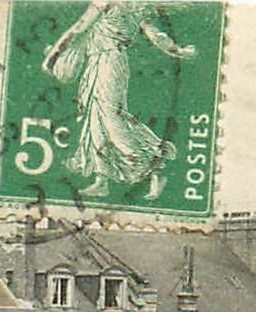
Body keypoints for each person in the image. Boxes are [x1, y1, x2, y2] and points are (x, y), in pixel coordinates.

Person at [41, 0, 197, 200]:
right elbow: (157, 36)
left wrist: (53, 56)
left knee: (110, 120)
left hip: (108, 63)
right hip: (101, 61)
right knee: (96, 119)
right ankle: (102, 180)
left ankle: (152, 166)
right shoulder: (137, 6)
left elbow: (78, 28)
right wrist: (178, 50)